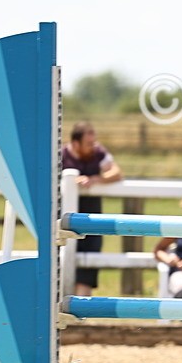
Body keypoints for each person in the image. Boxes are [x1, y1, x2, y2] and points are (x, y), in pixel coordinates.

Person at [61, 122, 123, 295]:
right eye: (88, 144)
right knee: (61, 263)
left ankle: (82, 312)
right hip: (64, 219)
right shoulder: (61, 155)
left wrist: (95, 179)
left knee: (88, 266)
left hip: (91, 219)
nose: (92, 147)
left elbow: (116, 172)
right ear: (75, 143)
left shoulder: (98, 152)